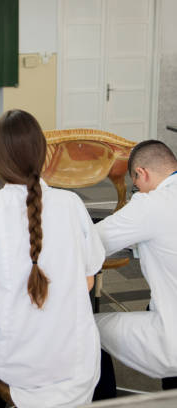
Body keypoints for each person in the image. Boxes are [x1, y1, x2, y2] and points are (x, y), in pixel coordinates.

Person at [0, 110, 105, 407]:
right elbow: (86, 282)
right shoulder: (72, 205)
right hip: (78, 364)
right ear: (44, 155)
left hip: (17, 364)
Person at [93, 140, 177, 399]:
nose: (136, 191)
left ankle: (103, 403)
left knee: (88, 328)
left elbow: (90, 243)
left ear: (142, 173)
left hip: (173, 339)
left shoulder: (151, 204)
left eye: (135, 184)